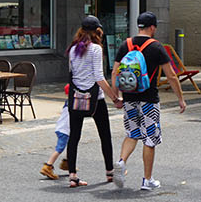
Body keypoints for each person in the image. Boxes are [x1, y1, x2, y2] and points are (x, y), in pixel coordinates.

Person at [113, 12, 186, 192]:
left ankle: (121, 162)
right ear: (152, 27)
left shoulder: (126, 45)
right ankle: (147, 180)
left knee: (132, 134)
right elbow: (171, 76)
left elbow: (115, 73)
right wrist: (180, 99)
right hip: (149, 100)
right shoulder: (156, 47)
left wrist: (116, 97)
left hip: (129, 97)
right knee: (149, 139)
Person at [62, 16, 120, 188]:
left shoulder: (73, 49)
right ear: (97, 31)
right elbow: (99, 78)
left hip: (76, 98)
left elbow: (72, 73)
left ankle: (73, 176)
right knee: (104, 135)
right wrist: (114, 97)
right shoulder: (95, 49)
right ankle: (109, 172)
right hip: (95, 99)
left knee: (74, 136)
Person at [39, 105, 72, 180]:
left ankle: (67, 163)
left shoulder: (67, 106)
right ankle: (48, 166)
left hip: (62, 128)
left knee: (70, 145)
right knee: (59, 148)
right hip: (64, 130)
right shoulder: (72, 107)